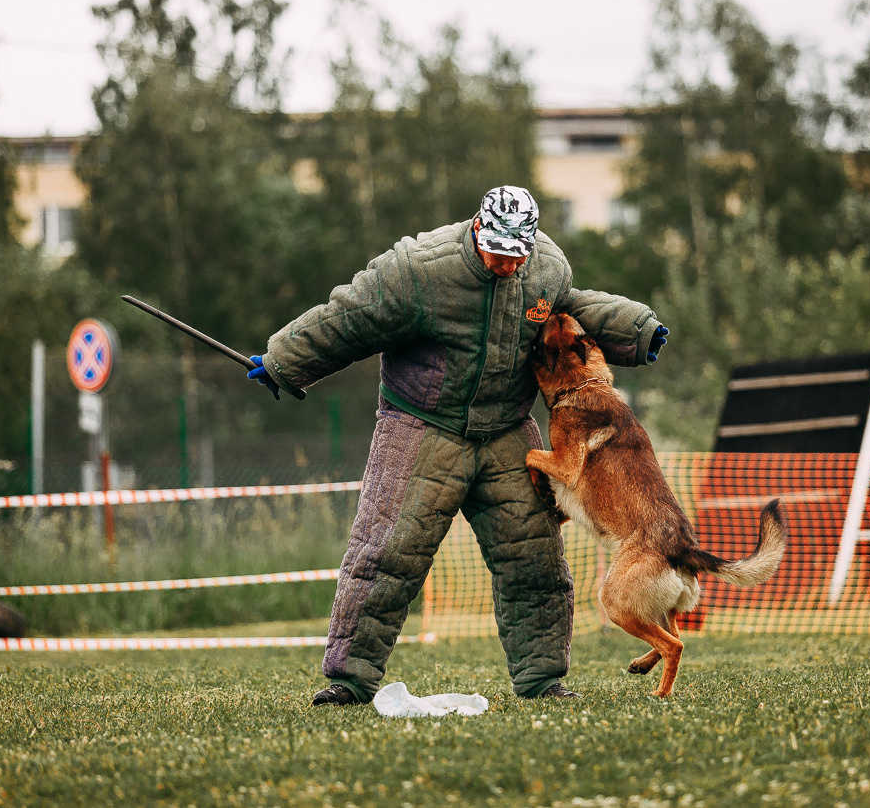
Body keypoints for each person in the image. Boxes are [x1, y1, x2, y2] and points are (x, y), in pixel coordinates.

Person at [248, 185, 668, 705]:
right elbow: (350, 315)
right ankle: (350, 679)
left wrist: (637, 330)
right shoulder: (418, 270)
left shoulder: (547, 267)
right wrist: (285, 360)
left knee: (534, 556)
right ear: (477, 229)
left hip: (507, 428)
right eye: (498, 253)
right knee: (388, 552)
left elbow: (575, 309)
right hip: (422, 425)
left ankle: (542, 680)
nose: (508, 266)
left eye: (517, 256)